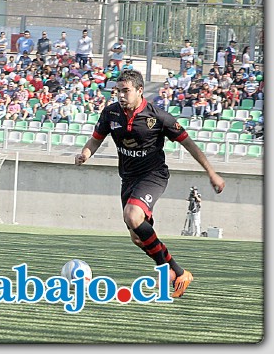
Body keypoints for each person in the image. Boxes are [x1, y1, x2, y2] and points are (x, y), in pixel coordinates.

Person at [74, 70, 225, 298]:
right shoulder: (111, 113)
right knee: (137, 237)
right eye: (118, 91)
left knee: (133, 215)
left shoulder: (159, 117)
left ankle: (170, 271)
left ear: (139, 91)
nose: (121, 96)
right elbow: (95, 140)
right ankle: (176, 271)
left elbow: (190, 144)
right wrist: (85, 154)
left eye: (126, 91)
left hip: (153, 175)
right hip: (129, 179)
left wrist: (212, 173)